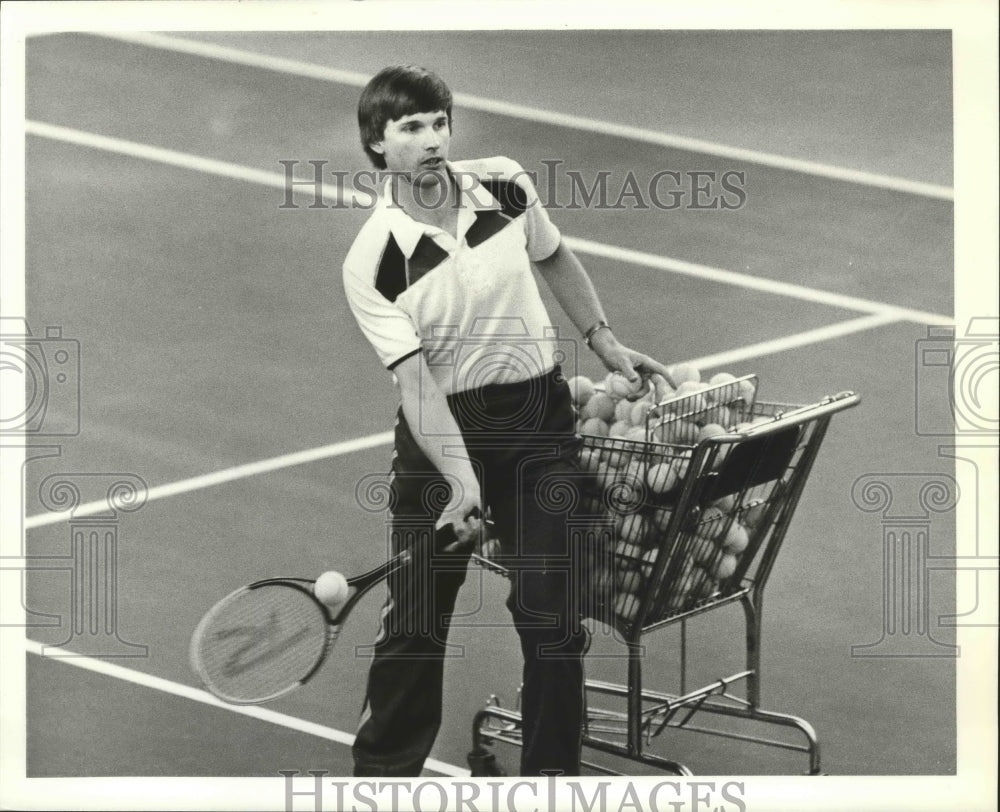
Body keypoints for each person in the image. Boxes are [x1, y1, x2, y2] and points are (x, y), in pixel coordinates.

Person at [342, 64, 671, 777]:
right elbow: (417, 388)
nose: (433, 139)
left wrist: (605, 341)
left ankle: (551, 781)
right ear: (377, 143)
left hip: (538, 422)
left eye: (440, 122)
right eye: (412, 128)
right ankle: (382, 779)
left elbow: (553, 257)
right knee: (417, 620)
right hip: (440, 437)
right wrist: (461, 481)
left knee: (551, 612)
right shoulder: (372, 261)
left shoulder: (503, 183)